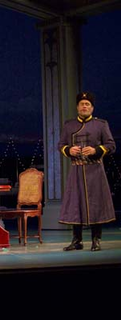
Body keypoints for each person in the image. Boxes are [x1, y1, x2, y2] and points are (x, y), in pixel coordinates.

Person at [58, 91, 116, 251]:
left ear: (92, 108)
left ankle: (96, 240)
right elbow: (61, 145)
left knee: (95, 204)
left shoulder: (101, 125)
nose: (84, 106)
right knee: (76, 204)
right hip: (77, 170)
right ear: (77, 107)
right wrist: (69, 150)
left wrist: (96, 150)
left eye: (87, 104)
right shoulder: (69, 125)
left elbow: (111, 145)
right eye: (82, 104)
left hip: (95, 170)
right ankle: (77, 240)